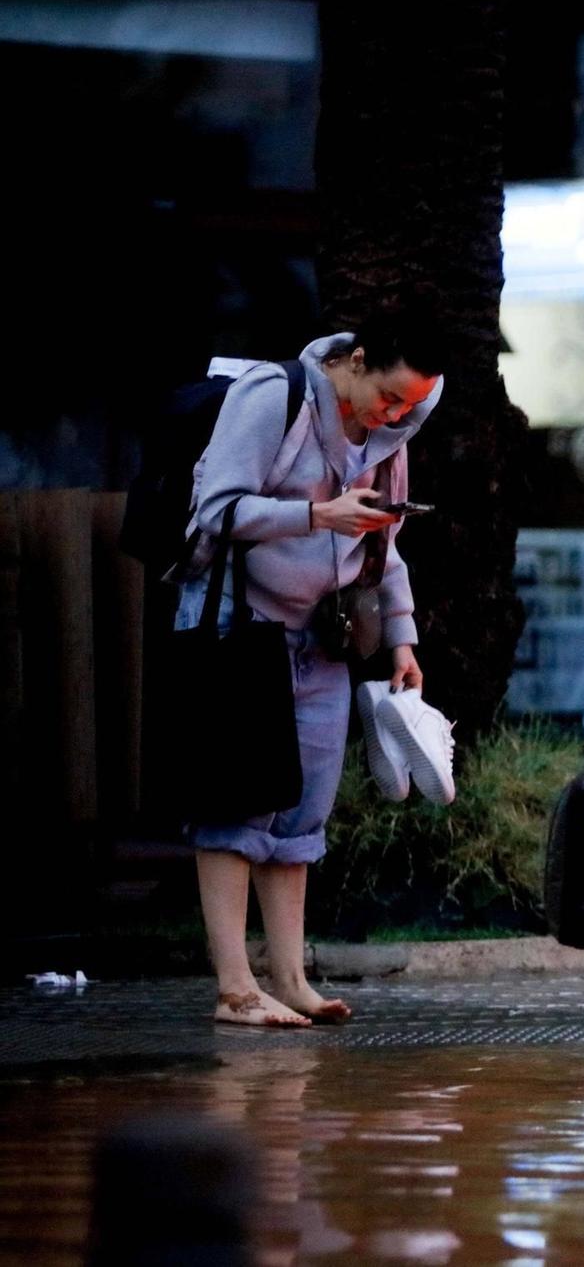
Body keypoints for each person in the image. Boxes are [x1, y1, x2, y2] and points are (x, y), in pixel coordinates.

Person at [183, 294, 447, 1027]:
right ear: (356, 362)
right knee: (237, 804)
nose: (393, 415)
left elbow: (384, 546)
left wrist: (403, 638)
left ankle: (290, 976)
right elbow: (217, 511)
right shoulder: (276, 398)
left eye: (411, 406)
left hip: (325, 634)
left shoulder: (390, 436)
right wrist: (316, 514)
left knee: (303, 811)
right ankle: (235, 985)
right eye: (388, 397)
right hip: (246, 626)